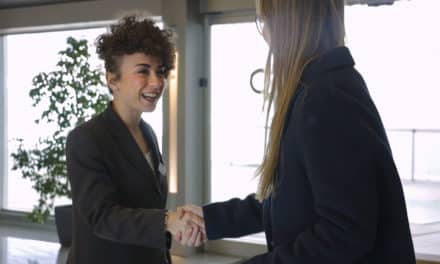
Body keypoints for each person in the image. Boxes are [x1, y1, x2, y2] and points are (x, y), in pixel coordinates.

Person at [179, 0, 416, 263]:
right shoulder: (318, 88)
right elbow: (290, 201)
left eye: (263, 21)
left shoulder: (327, 96)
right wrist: (211, 220)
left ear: (286, 24)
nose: (265, 34)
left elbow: (345, 232)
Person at [66, 15, 203, 264]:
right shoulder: (86, 139)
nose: (157, 82)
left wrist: (174, 223)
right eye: (143, 71)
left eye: (160, 72)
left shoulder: (148, 133)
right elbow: (102, 216)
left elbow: (147, 202)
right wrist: (166, 221)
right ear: (112, 78)